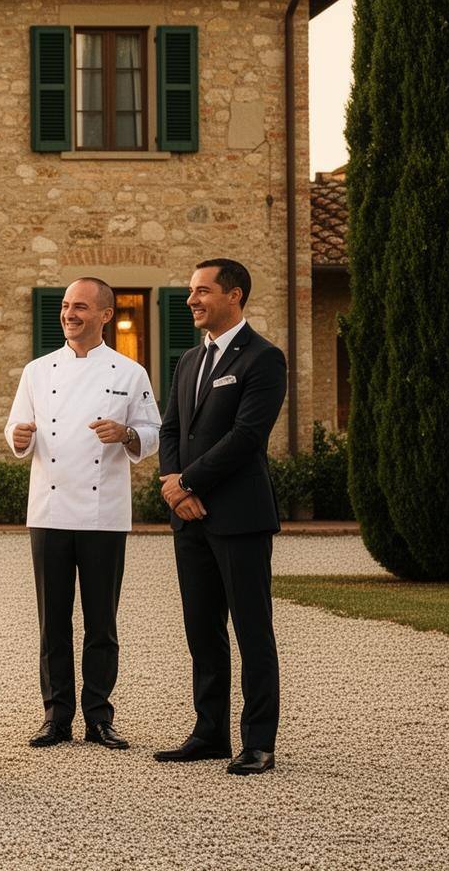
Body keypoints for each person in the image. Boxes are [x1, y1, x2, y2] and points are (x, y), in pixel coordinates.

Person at [4, 278, 159, 752]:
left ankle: (98, 716)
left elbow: (153, 433)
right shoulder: (36, 370)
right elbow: (13, 427)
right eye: (67, 306)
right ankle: (56, 717)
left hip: (103, 513)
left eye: (81, 307)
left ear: (106, 316)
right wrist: (19, 438)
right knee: (53, 621)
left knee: (101, 621)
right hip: (48, 510)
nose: (70, 314)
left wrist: (127, 434)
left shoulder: (131, 373)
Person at [156, 259, 286, 776]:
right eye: (190, 291)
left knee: (252, 629)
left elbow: (247, 437)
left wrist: (189, 481)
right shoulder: (189, 359)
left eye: (202, 291)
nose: (191, 300)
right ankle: (209, 733)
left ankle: (258, 741)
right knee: (202, 630)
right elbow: (171, 431)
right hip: (189, 518)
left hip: (239, 515)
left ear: (234, 295)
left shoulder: (264, 359)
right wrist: (174, 487)